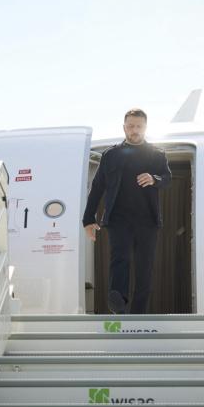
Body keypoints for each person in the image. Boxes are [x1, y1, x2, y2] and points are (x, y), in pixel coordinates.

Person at [82, 108, 172, 314]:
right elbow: (97, 187)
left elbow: (167, 179)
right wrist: (88, 219)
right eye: (130, 126)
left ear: (145, 128)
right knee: (119, 260)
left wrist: (154, 179)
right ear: (124, 128)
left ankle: (138, 314)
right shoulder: (111, 155)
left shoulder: (157, 155)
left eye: (139, 126)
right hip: (118, 220)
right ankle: (118, 305)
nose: (134, 130)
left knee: (144, 269)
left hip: (147, 221)